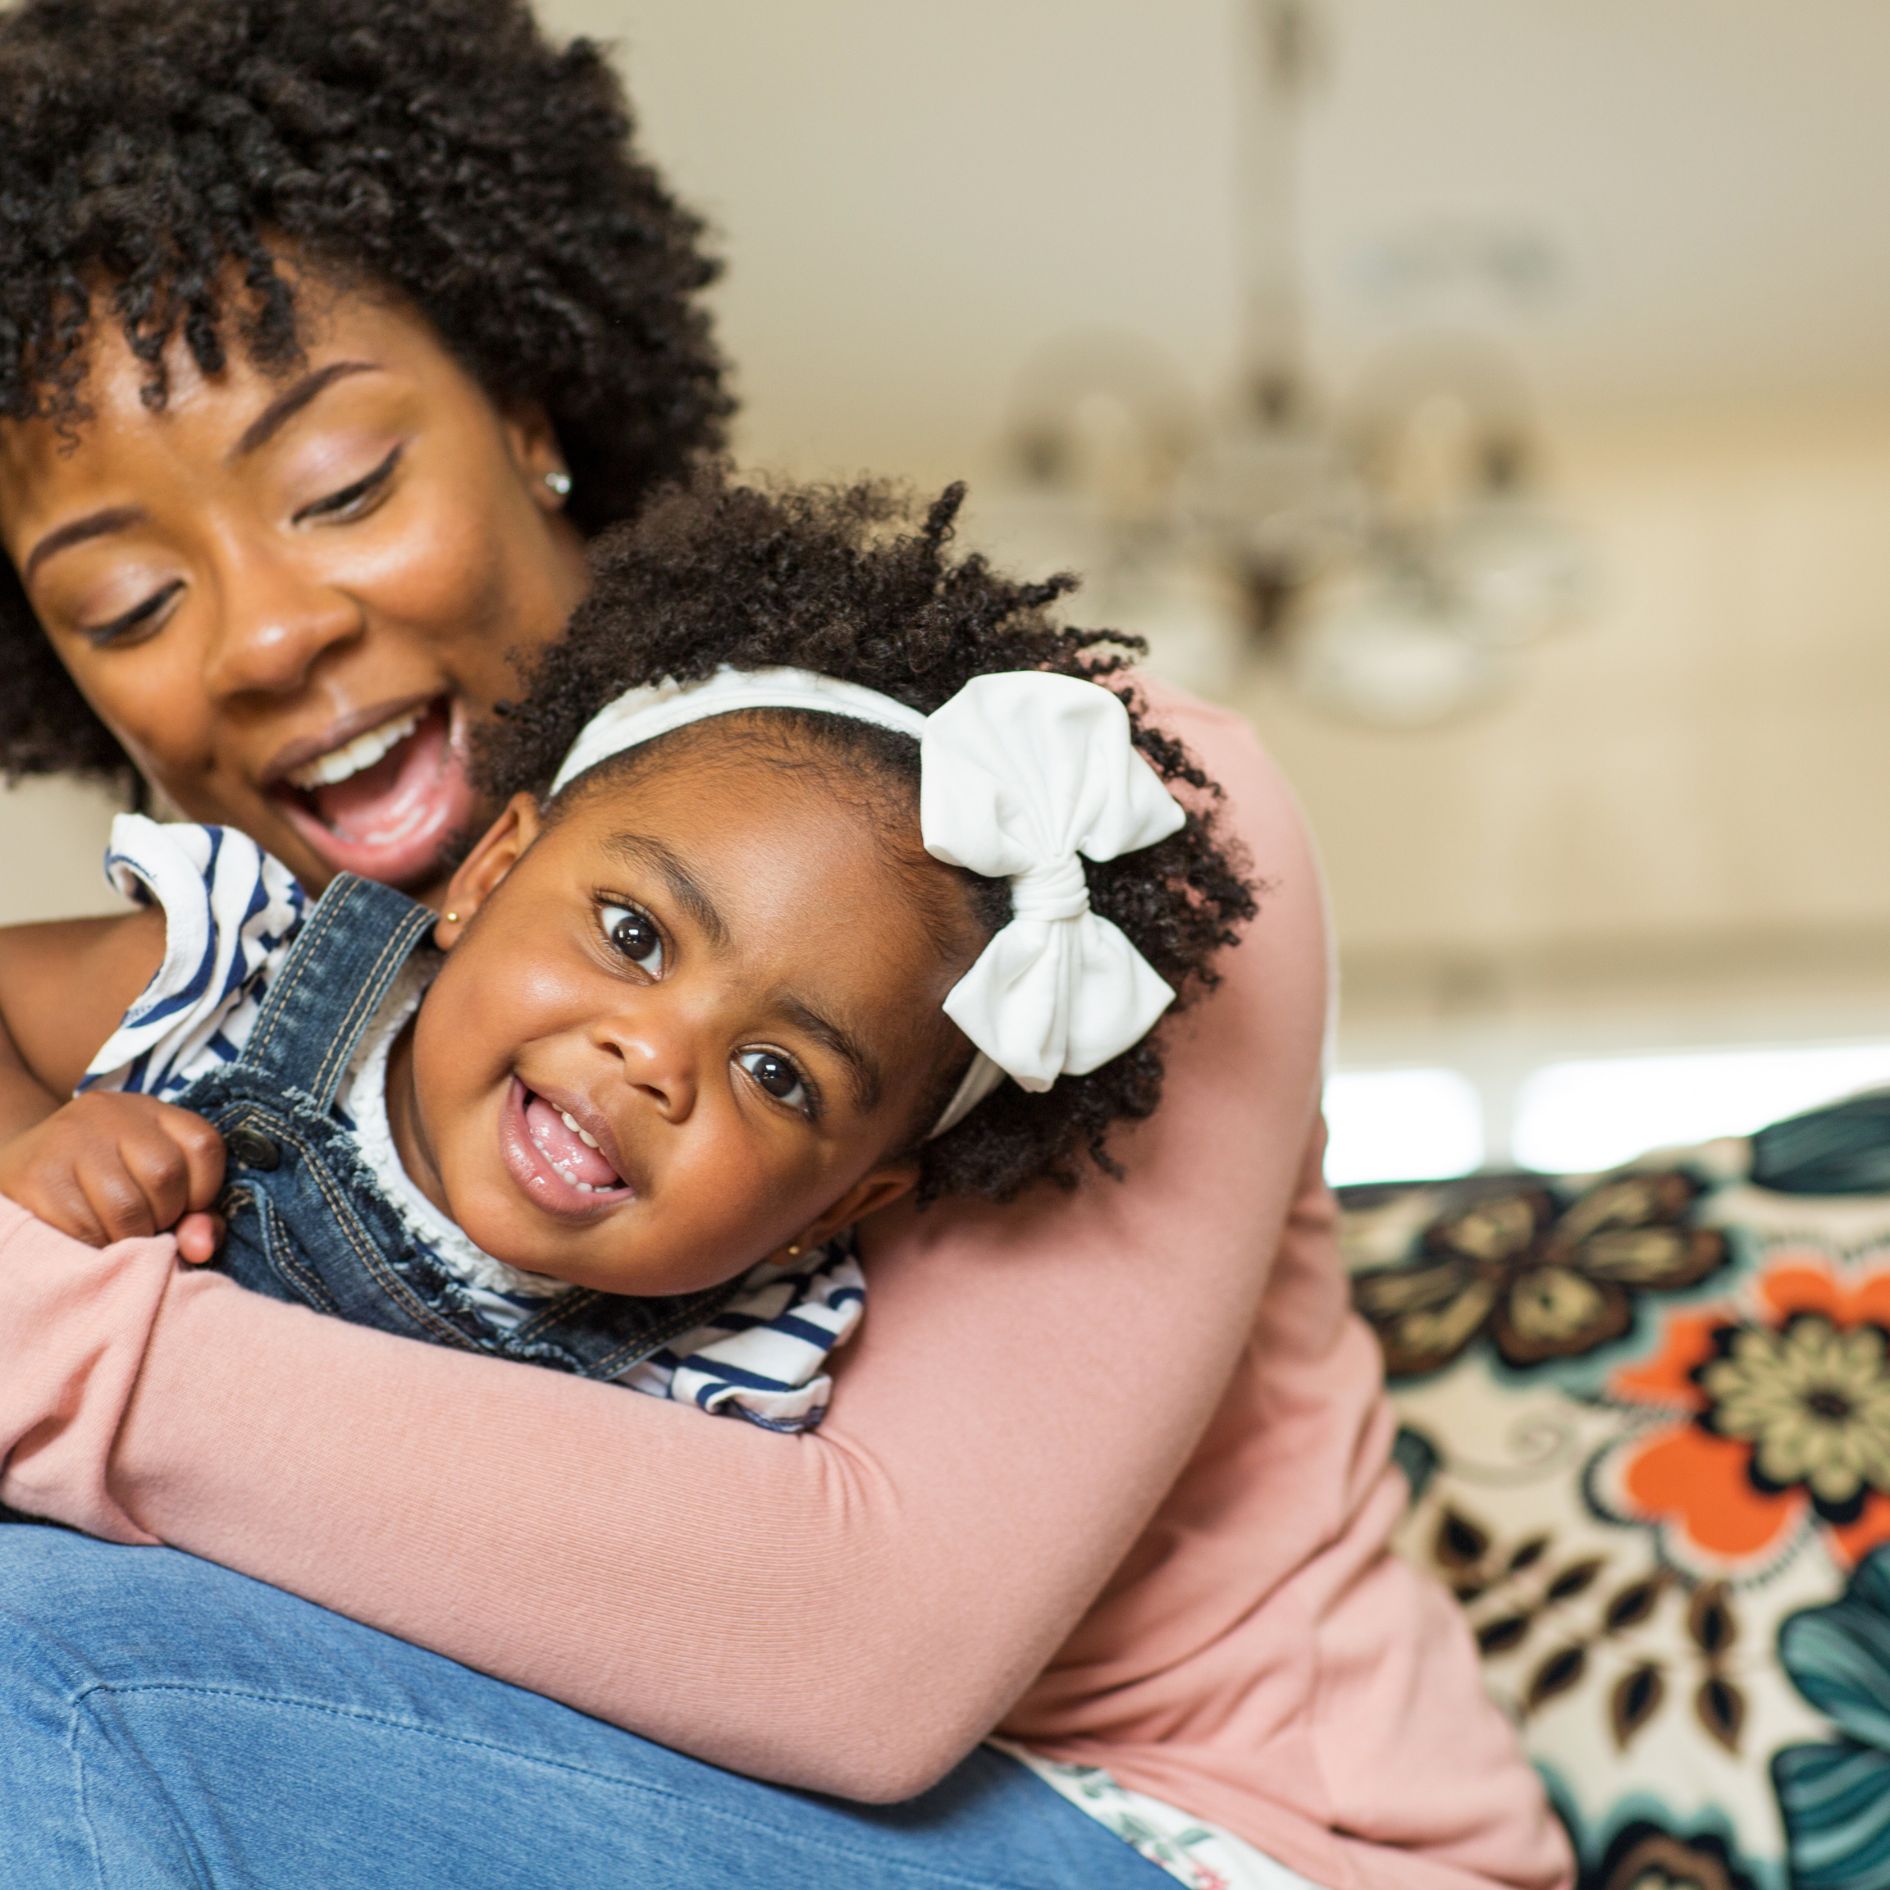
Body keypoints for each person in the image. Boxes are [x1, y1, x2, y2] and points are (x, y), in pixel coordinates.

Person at [0, 2, 1574, 1887]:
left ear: (529, 408)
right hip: (618, 1779)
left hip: (1194, 1842)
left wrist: (57, 1347)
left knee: (46, 1667)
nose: (258, 638)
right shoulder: (251, 972)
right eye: (129, 598)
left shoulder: (1048, 837)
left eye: (342, 487)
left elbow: (877, 1653)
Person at [0, 474, 1251, 1436]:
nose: (656, 1056)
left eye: (777, 1074)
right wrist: (28, 1164)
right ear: (490, 873)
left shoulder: (740, 1368)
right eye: (636, 936)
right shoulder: (247, 976)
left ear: (825, 1215)